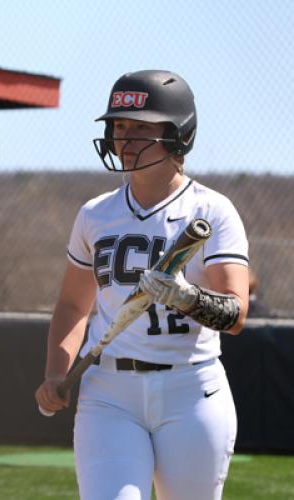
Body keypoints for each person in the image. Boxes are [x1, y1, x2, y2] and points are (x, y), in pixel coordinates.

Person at [35, 70, 249, 500]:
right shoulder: (95, 214)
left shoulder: (212, 210)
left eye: (140, 127)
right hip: (109, 393)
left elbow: (236, 313)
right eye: (119, 126)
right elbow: (74, 305)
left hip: (192, 391)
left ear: (176, 134)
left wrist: (186, 297)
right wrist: (56, 372)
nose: (124, 137)